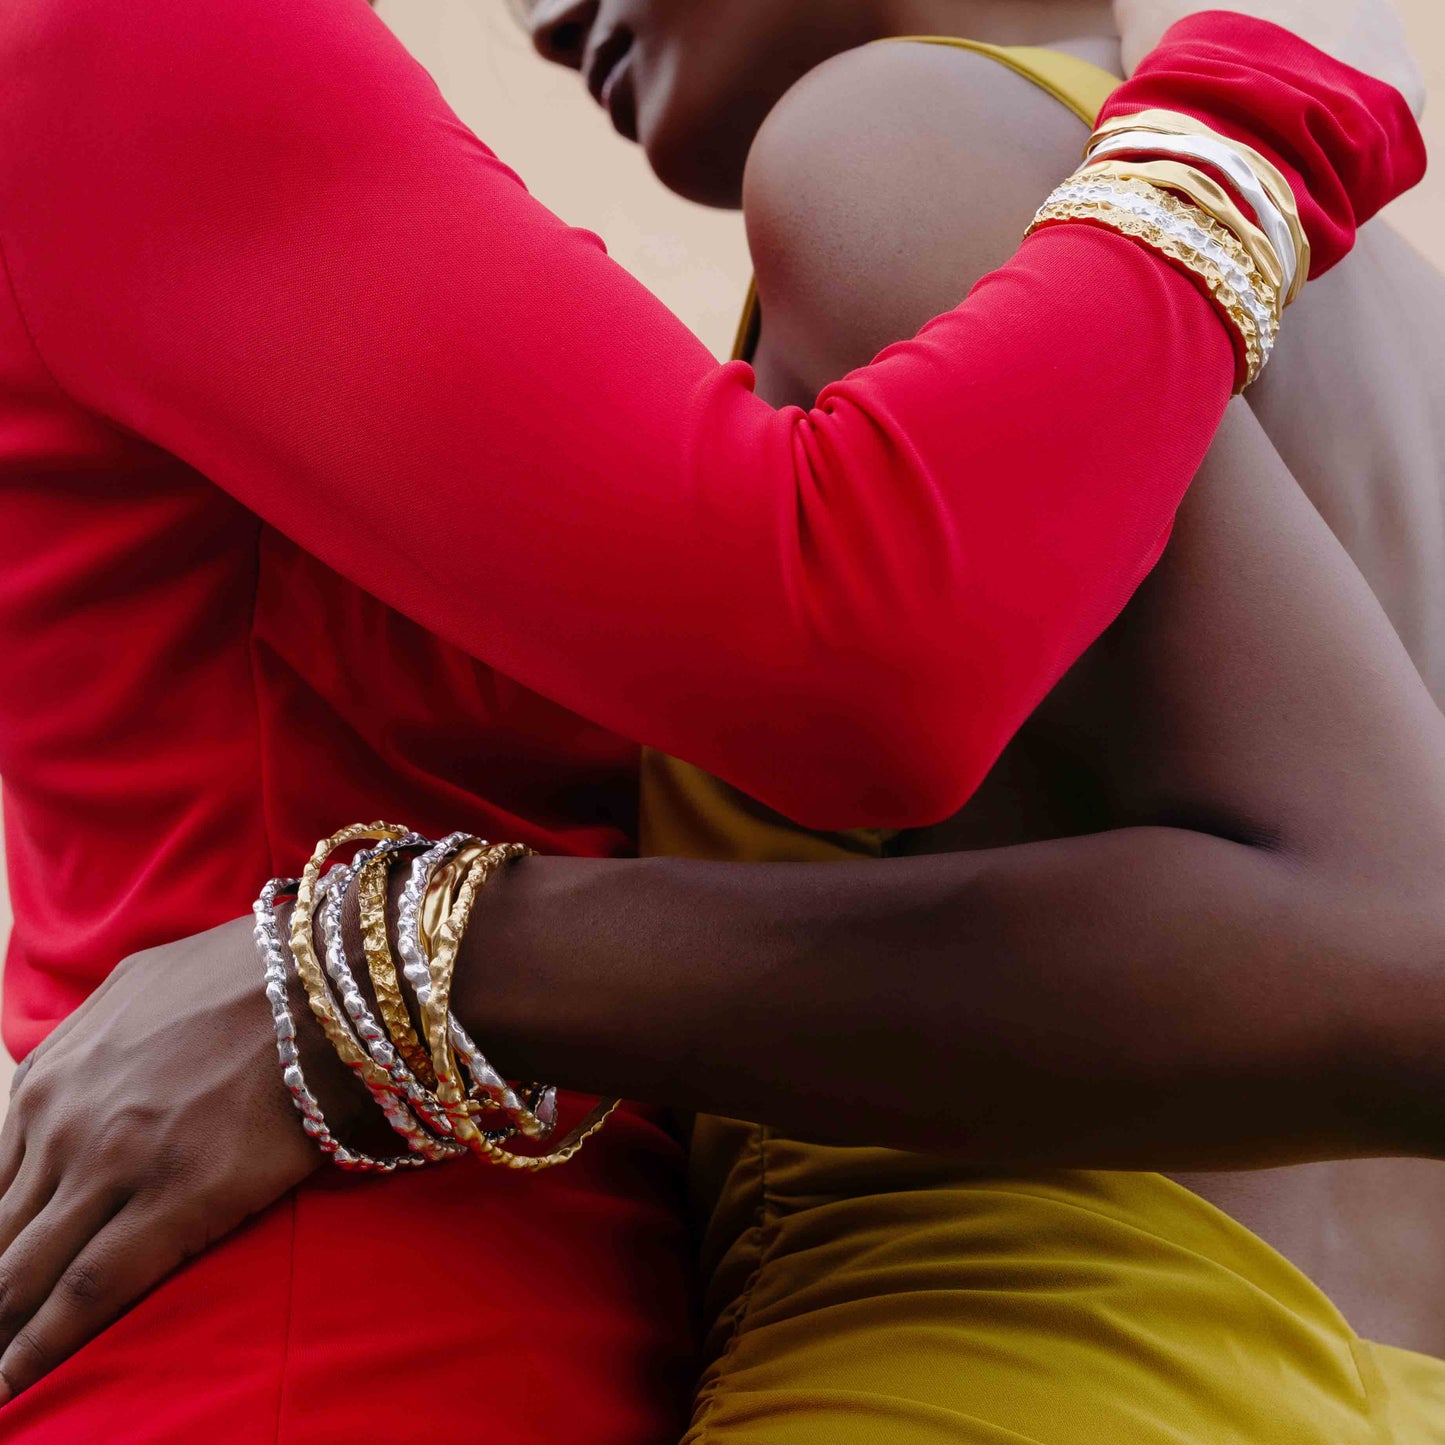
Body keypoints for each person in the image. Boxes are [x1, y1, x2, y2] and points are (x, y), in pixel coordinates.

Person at [0, 0, 1426, 1439]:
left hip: (936, 1375)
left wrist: (390, 969)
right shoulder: (1397, 318)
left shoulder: (899, 137)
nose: (538, 20)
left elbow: (859, 651)